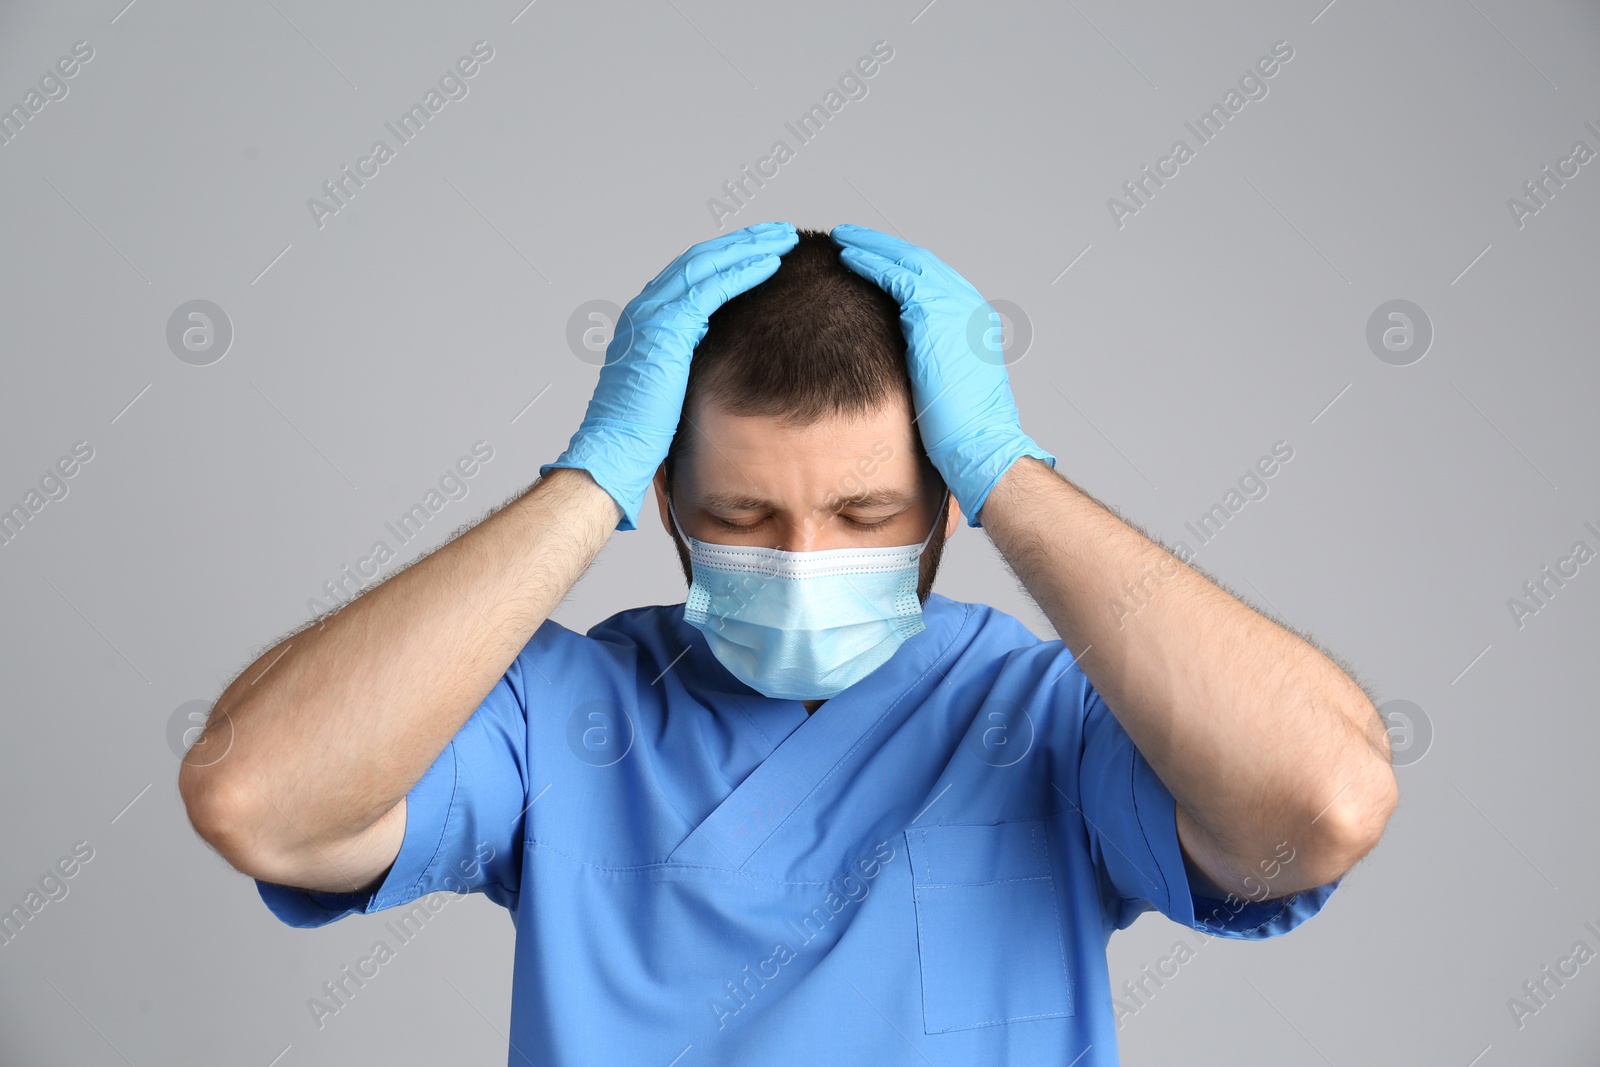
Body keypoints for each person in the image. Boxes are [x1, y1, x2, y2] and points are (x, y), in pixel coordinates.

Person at [178, 221, 1399, 1063]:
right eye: (742, 514)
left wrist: (1013, 475)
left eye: (865, 513)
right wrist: (585, 478)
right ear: (665, 504)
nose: (806, 564)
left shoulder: (1048, 722)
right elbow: (258, 795)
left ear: (937, 502)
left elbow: (1327, 800)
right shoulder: (559, 714)